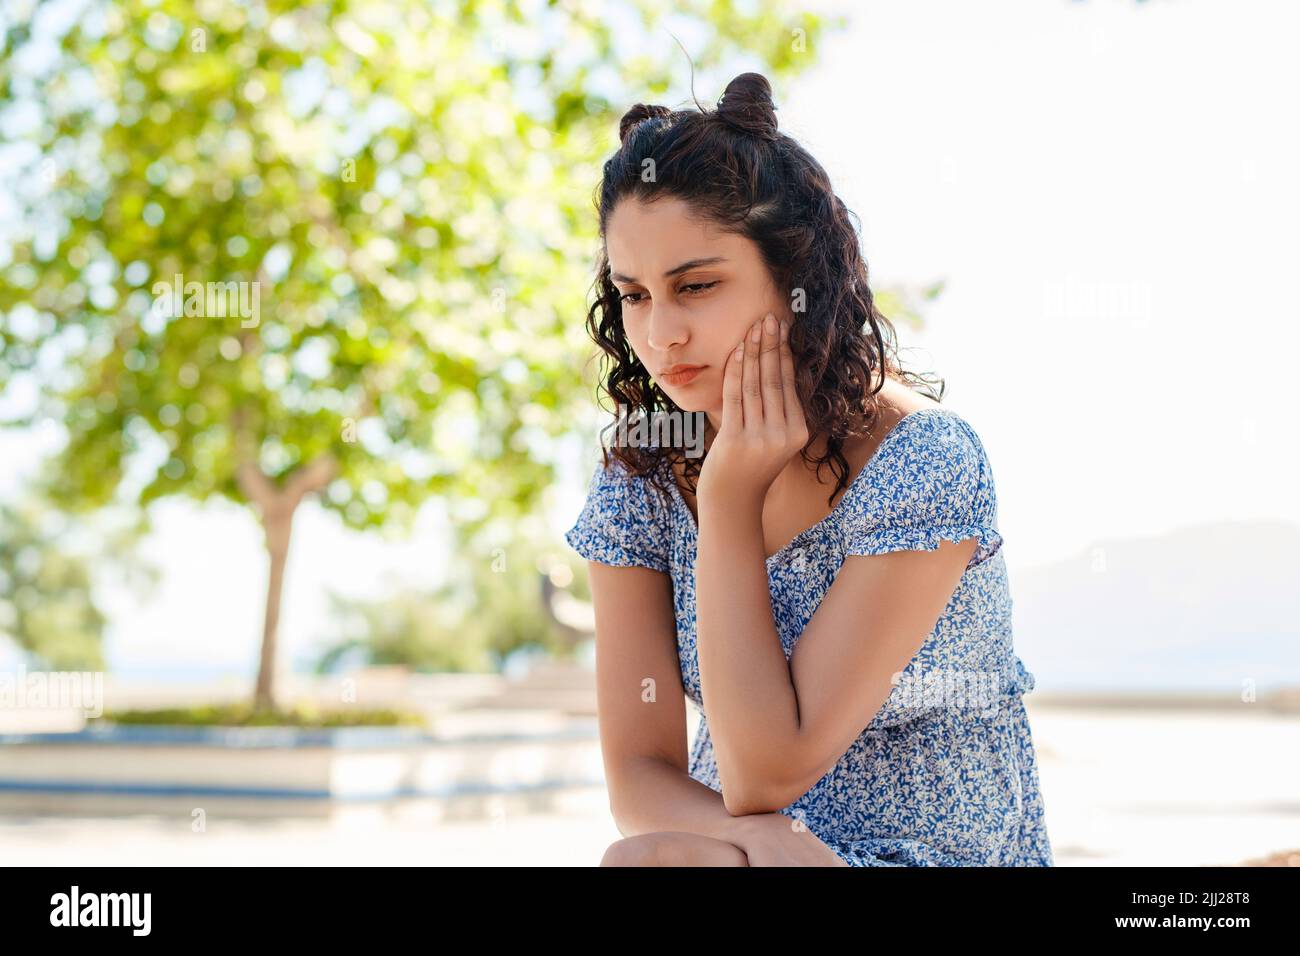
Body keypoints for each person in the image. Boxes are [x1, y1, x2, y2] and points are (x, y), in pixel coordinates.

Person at [565, 72, 1053, 867]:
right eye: (634, 295)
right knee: (648, 861)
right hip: (765, 854)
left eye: (697, 286)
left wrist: (727, 502)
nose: (662, 335)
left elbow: (767, 769)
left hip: (938, 852)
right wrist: (765, 839)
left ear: (794, 278)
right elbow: (637, 774)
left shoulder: (922, 462)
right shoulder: (642, 476)